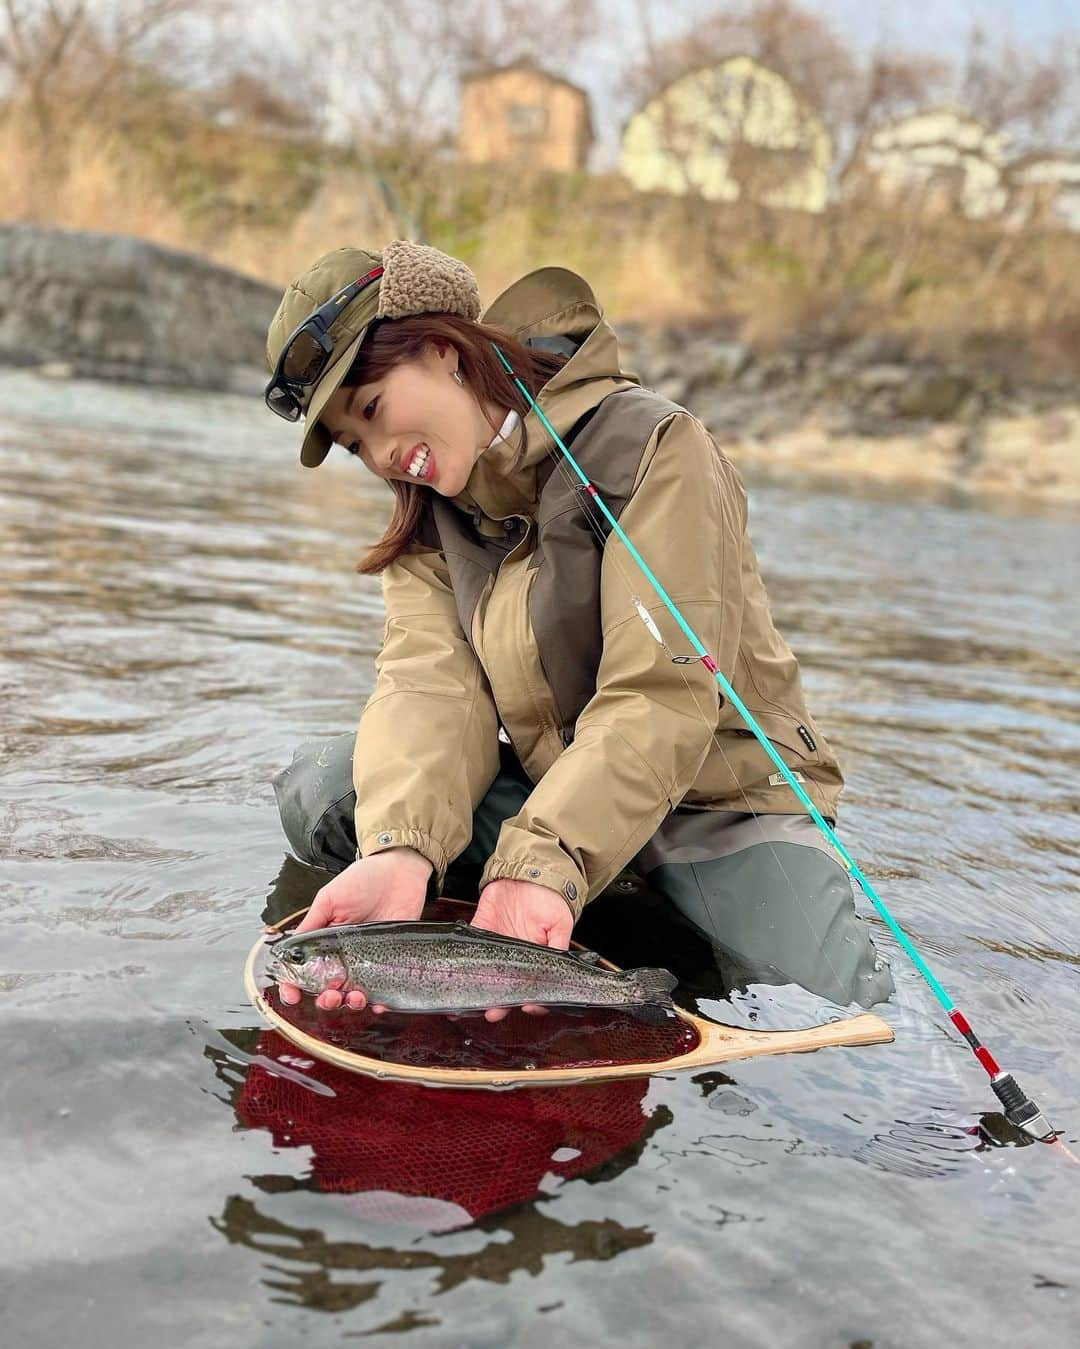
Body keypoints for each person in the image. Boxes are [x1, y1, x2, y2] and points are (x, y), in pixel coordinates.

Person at [264, 239, 895, 1019]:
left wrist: (541, 859)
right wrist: (401, 848)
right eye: (357, 447)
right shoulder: (428, 520)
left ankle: (595, 912)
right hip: (552, 792)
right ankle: (567, 916)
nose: (384, 457)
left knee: (841, 1015)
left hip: (716, 808)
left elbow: (661, 696)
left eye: (372, 409)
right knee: (326, 790)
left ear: (442, 350)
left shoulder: (654, 447)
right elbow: (428, 688)